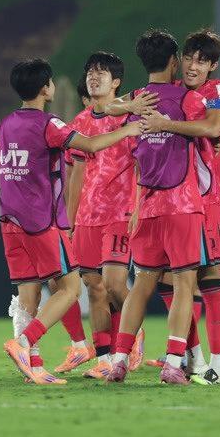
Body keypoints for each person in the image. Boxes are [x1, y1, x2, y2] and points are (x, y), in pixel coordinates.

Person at [0, 58, 139, 385]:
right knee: (69, 288)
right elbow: (92, 144)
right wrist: (128, 128)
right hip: (42, 221)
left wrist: (18, 186)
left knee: (29, 294)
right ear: (46, 89)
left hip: (10, 221)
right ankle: (24, 342)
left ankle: (35, 366)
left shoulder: (6, 124)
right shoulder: (50, 124)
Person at [104, 30, 211, 386]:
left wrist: (127, 106)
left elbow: (102, 106)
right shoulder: (188, 99)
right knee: (183, 285)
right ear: (173, 61)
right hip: (181, 204)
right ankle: (173, 363)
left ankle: (118, 361)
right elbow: (211, 129)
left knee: (142, 285)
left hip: (146, 206)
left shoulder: (135, 99)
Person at [137, 29, 220, 384]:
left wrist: (170, 124)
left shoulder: (215, 90)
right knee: (171, 282)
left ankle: (218, 365)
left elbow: (215, 128)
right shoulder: (179, 90)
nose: (194, 66)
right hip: (175, 197)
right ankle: (189, 358)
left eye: (203, 61)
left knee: (209, 281)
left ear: (213, 66)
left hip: (204, 200)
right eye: (190, 58)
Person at [62, 53, 143, 379]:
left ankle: (133, 334)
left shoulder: (131, 119)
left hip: (120, 211)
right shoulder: (79, 122)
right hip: (87, 216)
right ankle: (105, 359)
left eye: (103, 72)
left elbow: (141, 166)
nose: (95, 77)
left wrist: (138, 205)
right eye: (91, 72)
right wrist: (69, 220)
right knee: (94, 287)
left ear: (117, 82)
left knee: (113, 284)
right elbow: (76, 174)